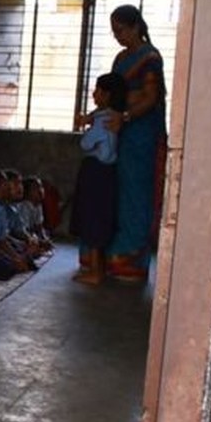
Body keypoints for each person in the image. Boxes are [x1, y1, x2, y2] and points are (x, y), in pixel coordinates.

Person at [105, 4, 168, 282]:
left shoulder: (150, 58)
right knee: (121, 190)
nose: (117, 36)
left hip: (142, 133)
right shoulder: (121, 58)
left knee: (138, 192)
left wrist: (127, 116)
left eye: (120, 30)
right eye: (113, 31)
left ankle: (133, 257)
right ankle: (119, 250)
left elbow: (151, 98)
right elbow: (112, 92)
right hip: (121, 132)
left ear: (135, 27)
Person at [71, 73, 127, 284]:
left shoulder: (102, 121)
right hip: (107, 172)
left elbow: (86, 143)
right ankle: (98, 268)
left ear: (107, 95)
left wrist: (86, 126)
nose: (94, 94)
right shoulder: (113, 116)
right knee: (100, 218)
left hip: (96, 171)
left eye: (98, 91)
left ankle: (96, 271)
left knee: (93, 219)